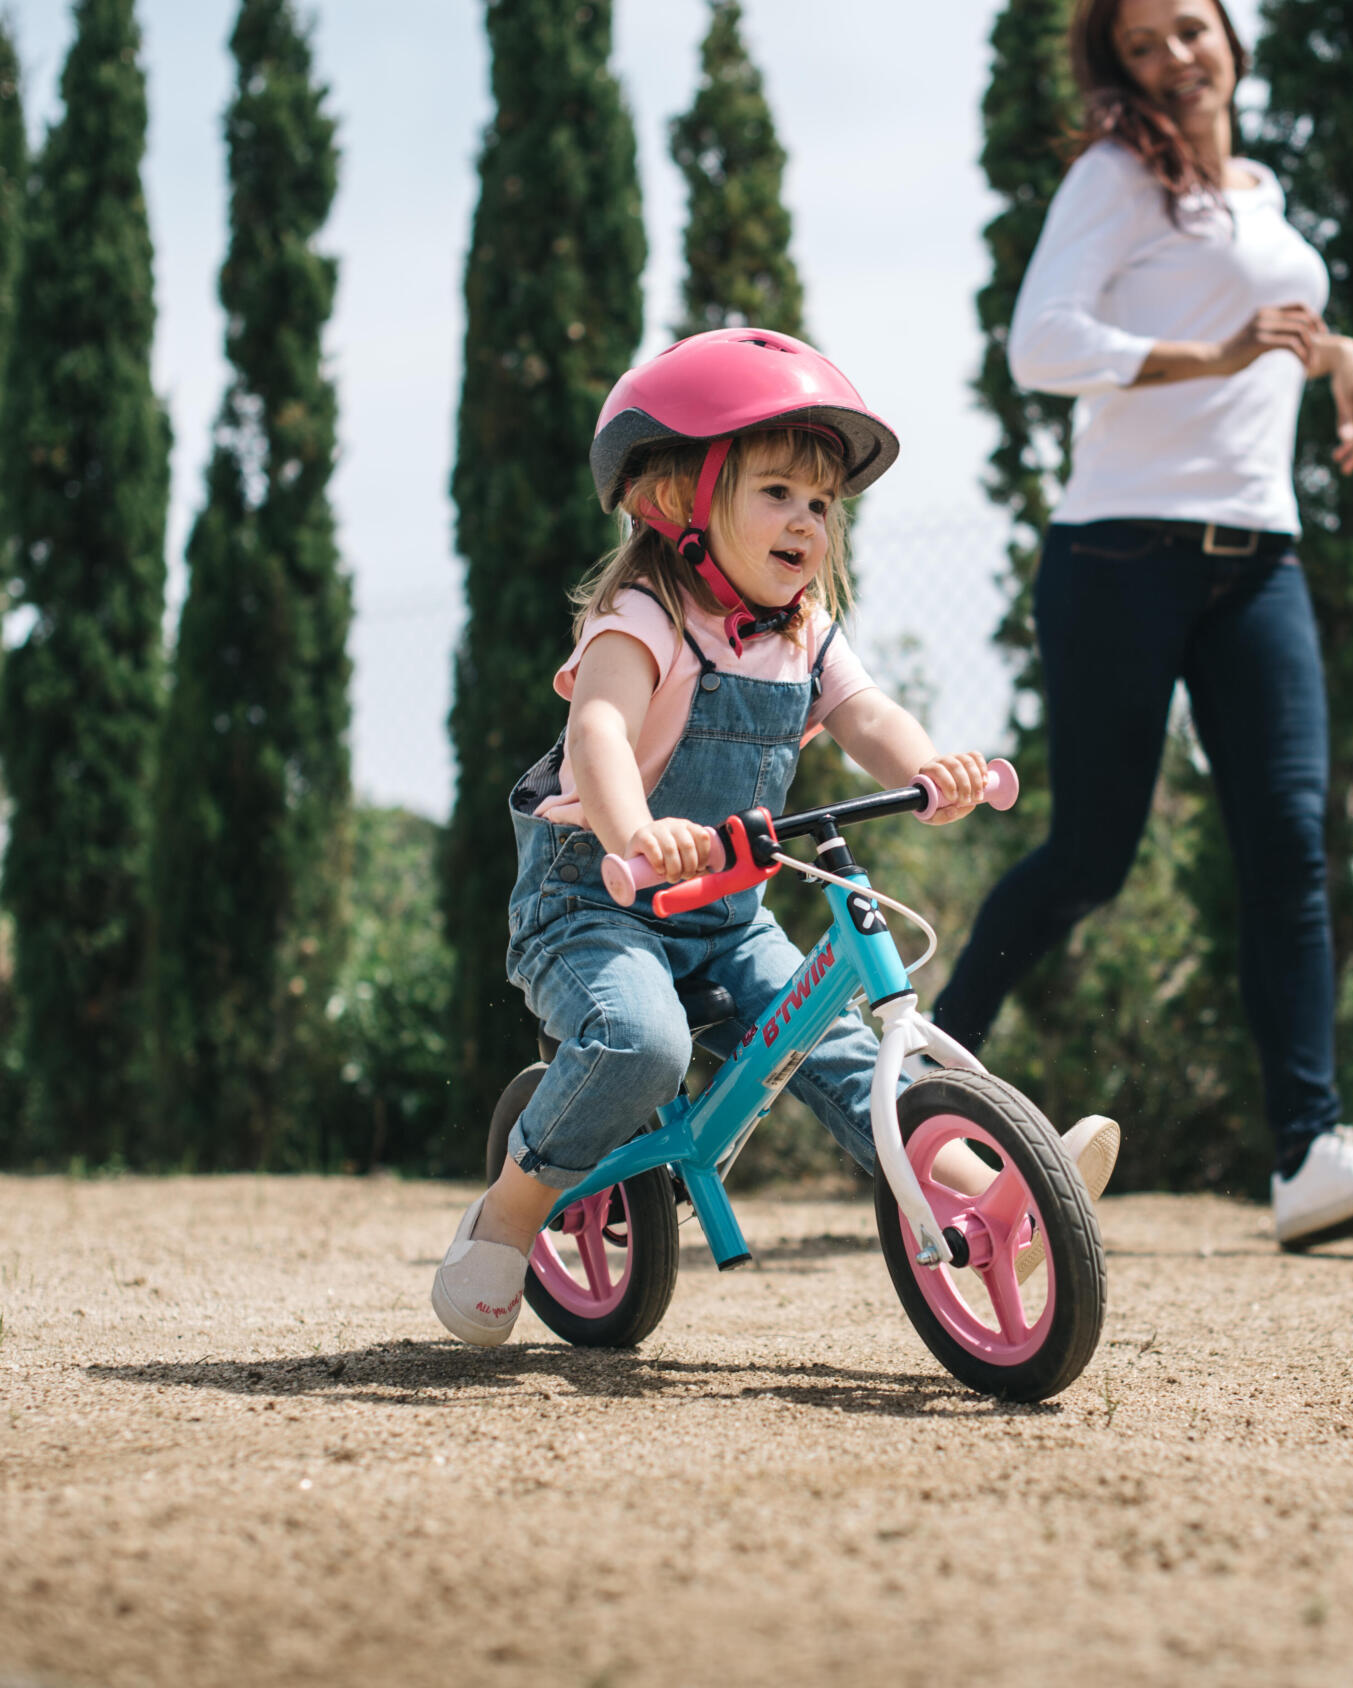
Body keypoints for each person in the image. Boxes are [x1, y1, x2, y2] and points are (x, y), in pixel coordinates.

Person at [432, 328, 1121, 1346]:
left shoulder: (804, 630)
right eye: (777, 494)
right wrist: (639, 831)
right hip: (595, 903)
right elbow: (602, 729)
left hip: (726, 916)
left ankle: (999, 1194)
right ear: (678, 503)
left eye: (823, 504)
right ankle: (511, 1210)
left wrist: (929, 767)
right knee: (645, 1041)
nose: (808, 521)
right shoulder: (645, 612)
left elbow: (870, 714)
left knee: (841, 1042)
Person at [930, 0, 1353, 1250]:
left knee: (1287, 836)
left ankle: (1308, 1154)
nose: (1174, 55)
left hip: (1258, 554)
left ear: (1231, 33)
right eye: (1144, 43)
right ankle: (925, 1078)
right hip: (1121, 553)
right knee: (1091, 855)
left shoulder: (1259, 191)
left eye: (1190, 27)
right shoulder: (1117, 178)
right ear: (1120, 67)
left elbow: (1274, 322)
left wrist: (1342, 357)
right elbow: (1040, 343)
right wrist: (1211, 355)